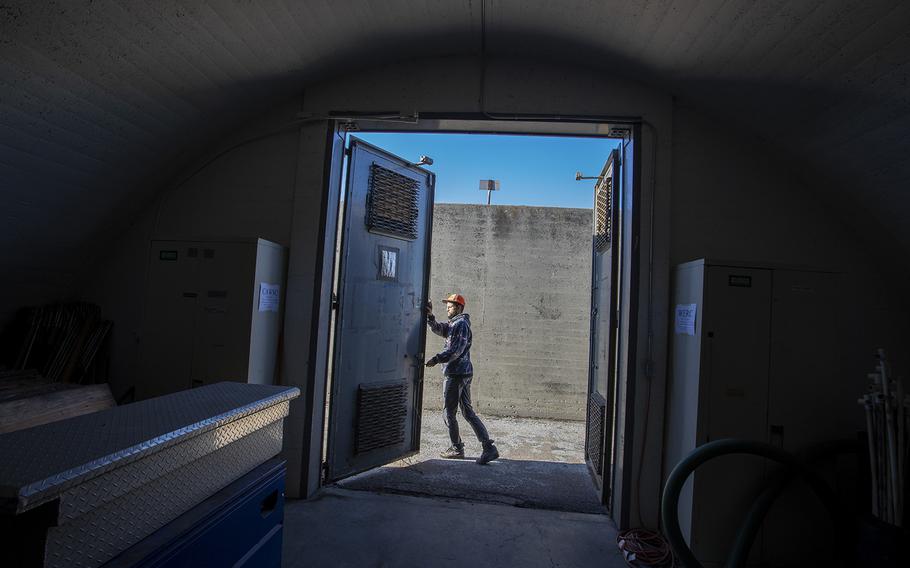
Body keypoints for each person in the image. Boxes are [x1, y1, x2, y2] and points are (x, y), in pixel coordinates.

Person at [425, 293, 499, 465]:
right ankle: (488, 448)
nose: (447, 309)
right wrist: (430, 316)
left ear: (458, 307)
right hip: (463, 373)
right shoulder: (454, 325)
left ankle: (457, 448)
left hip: (456, 374)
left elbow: (455, 351)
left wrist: (436, 359)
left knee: (448, 412)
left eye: (450, 306)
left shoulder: (461, 325)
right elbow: (439, 328)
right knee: (467, 411)